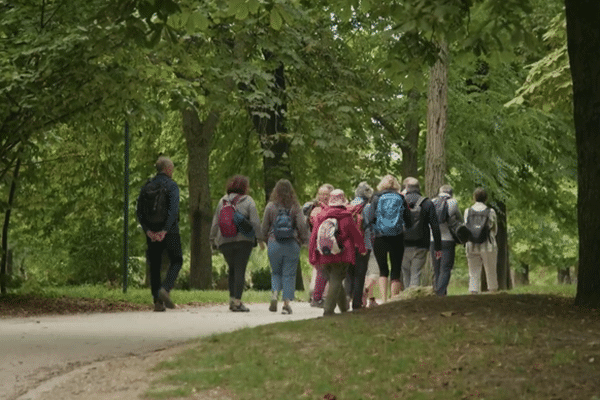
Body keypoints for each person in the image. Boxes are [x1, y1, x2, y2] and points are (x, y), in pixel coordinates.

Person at [309, 189, 367, 316]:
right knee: (336, 280)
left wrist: (312, 255)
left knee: (335, 280)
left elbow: (314, 236)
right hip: (342, 254)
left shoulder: (322, 215)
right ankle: (328, 310)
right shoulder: (346, 216)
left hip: (324, 253)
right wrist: (362, 249)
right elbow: (356, 235)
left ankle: (344, 308)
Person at [210, 175, 263, 312]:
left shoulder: (222, 201)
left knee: (232, 269)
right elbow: (256, 222)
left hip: (224, 241)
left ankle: (232, 300)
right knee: (240, 269)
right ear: (244, 187)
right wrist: (261, 239)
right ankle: (238, 302)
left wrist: (212, 239)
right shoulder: (248, 201)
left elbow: (216, 222)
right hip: (243, 241)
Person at [136, 156, 183, 312]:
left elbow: (140, 212)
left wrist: (148, 231)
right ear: (168, 169)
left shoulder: (147, 187)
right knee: (176, 260)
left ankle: (157, 301)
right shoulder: (172, 186)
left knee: (155, 265)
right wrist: (165, 230)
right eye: (172, 168)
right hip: (170, 231)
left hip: (152, 232)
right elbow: (173, 211)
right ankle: (165, 289)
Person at [261, 179, 309, 315]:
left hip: (274, 242)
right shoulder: (295, 206)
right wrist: (304, 241)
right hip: (291, 244)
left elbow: (264, 227)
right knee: (289, 274)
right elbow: (301, 226)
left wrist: (266, 240)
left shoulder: (270, 206)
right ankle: (286, 305)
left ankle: (275, 293)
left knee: (276, 272)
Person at [366, 174, 411, 303]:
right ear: (396, 185)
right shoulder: (401, 198)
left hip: (380, 237)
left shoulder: (376, 198)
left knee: (383, 269)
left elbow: (370, 218)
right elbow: (408, 219)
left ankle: (384, 300)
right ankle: (394, 299)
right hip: (397, 236)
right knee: (396, 269)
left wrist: (375, 228)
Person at [401, 177, 442, 291]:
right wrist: (438, 247)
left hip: (402, 244)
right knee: (416, 273)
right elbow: (435, 226)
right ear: (419, 188)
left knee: (406, 273)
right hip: (421, 244)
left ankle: (406, 299)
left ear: (406, 188)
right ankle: (413, 297)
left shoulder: (400, 201)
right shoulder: (427, 203)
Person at [304, 184, 334, 307]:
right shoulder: (316, 209)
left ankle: (319, 296)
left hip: (327, 243)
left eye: (326, 194)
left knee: (323, 271)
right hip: (319, 243)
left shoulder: (328, 208)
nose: (323, 196)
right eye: (321, 194)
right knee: (322, 270)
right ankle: (317, 297)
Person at [430, 184, 463, 296]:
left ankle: (440, 292)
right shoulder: (453, 202)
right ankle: (440, 293)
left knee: (437, 268)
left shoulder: (432, 202)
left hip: (433, 241)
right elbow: (460, 220)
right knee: (446, 268)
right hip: (447, 240)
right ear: (451, 193)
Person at [344, 181, 373, 310]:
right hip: (363, 244)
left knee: (349, 273)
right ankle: (357, 303)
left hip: (348, 244)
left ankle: (346, 299)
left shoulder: (348, 206)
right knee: (360, 274)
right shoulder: (367, 207)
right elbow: (368, 225)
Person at [465, 187, 499, 293]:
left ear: (474, 197)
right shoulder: (491, 211)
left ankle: (473, 291)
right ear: (486, 199)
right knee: (491, 270)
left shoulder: (468, 211)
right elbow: (495, 229)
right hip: (488, 245)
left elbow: (465, 226)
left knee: (473, 271)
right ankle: (492, 292)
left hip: (471, 245)